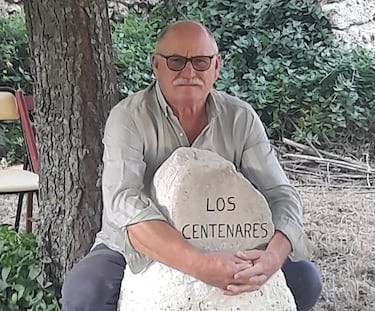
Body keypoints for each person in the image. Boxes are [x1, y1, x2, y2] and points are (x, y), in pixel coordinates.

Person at [61, 20, 322, 311]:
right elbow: (123, 201)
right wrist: (198, 264)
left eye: (200, 61)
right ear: (156, 65)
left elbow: (281, 194)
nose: (189, 72)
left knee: (304, 281)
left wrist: (272, 257)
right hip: (135, 242)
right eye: (176, 61)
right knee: (83, 295)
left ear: (216, 67)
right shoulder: (128, 118)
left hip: (225, 235)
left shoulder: (240, 119)